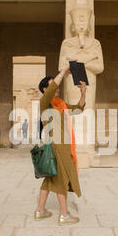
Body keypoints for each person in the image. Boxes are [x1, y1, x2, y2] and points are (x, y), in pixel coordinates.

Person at [35, 67, 86, 225]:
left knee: (50, 180)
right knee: (61, 180)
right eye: (52, 86)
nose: (57, 89)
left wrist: (83, 92)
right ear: (45, 89)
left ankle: (40, 210)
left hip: (64, 146)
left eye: (57, 87)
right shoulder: (45, 103)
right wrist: (64, 72)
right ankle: (64, 215)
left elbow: (78, 109)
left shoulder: (60, 104)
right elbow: (52, 88)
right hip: (57, 147)